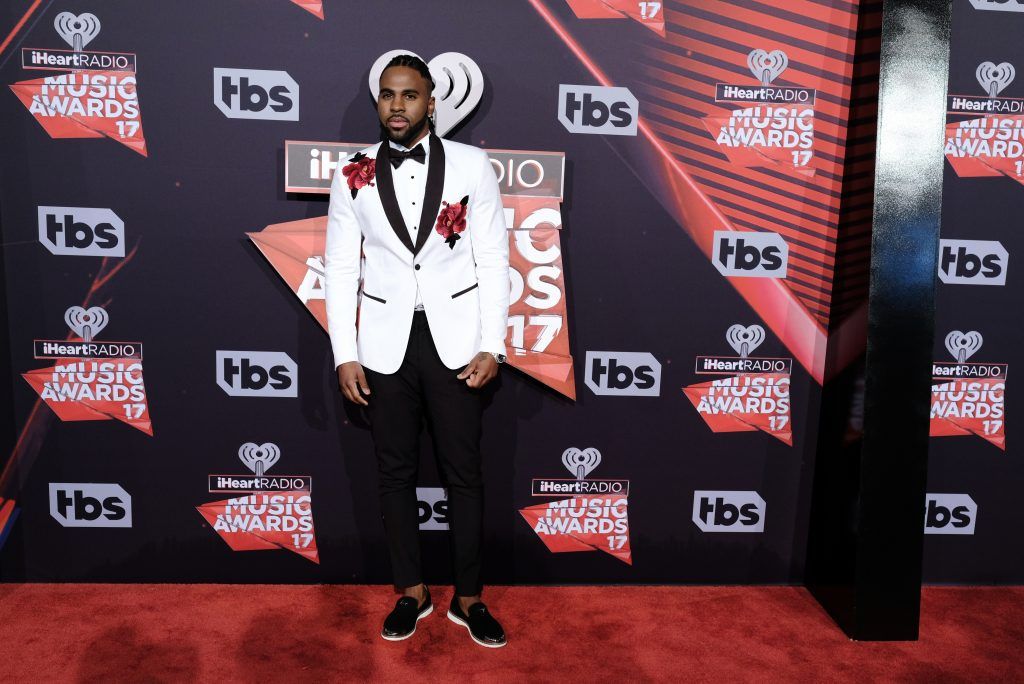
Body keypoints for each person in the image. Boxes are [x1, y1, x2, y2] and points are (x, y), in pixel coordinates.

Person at [324, 54, 510, 648]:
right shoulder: (351, 172)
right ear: (377, 102)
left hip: (456, 339)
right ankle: (412, 591)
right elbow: (340, 267)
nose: (397, 105)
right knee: (393, 474)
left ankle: (470, 598)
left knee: (465, 474)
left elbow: (493, 259)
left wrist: (493, 344)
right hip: (383, 344)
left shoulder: (472, 165)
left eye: (409, 95)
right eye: (387, 95)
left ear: (432, 102)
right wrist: (343, 353)